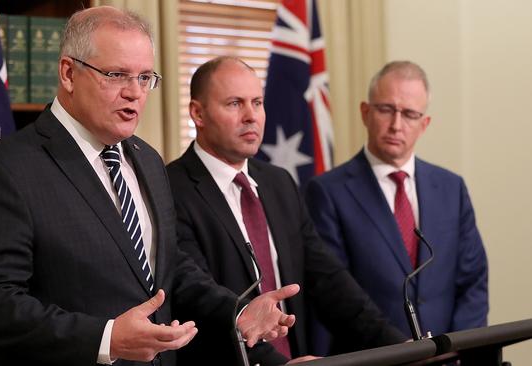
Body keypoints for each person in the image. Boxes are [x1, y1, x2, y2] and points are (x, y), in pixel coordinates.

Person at [0, 7, 300, 366]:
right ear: (69, 73)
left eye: (145, 77)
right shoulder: (6, 170)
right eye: (117, 75)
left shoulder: (147, 159)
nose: (135, 93)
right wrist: (105, 339)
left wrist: (236, 311)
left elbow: (167, 268)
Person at [166, 56, 407, 366]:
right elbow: (198, 300)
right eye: (235, 104)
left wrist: (400, 346)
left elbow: (328, 281)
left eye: (257, 102)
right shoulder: (171, 188)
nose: (251, 116)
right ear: (198, 113)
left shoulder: (278, 182)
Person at [304, 61, 488, 340]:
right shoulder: (327, 191)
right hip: (373, 356)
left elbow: (472, 282)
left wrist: (458, 351)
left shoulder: (452, 188)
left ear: (424, 124)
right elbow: (332, 294)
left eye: (410, 114)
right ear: (365, 113)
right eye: (386, 109)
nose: (396, 125)